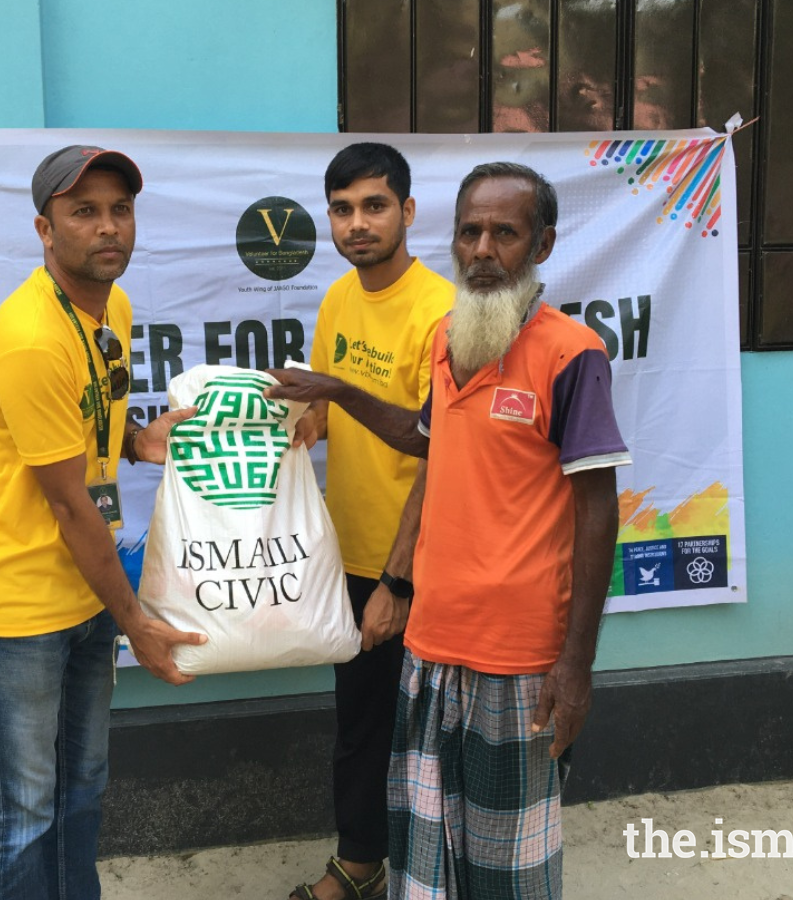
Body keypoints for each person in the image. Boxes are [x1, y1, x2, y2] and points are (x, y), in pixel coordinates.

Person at [269, 162, 629, 899]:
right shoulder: (451, 342)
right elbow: (421, 437)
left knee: (507, 868)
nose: (482, 250)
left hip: (519, 659)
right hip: (433, 646)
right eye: (470, 231)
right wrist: (335, 390)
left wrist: (576, 667)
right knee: (429, 858)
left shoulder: (572, 355)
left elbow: (597, 509)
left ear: (543, 244)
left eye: (505, 232)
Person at [0, 144, 207, 900]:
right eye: (84, 211)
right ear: (44, 227)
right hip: (17, 612)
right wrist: (137, 622)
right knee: (24, 811)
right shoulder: (32, 336)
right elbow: (66, 504)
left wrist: (134, 439)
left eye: (119, 210)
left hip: (87, 595)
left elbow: (84, 428)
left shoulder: (109, 306)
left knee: (83, 787)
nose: (108, 228)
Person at [288, 143, 453, 900]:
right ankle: (361, 865)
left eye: (374, 206)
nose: (358, 224)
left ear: (408, 212)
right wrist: (258, 432)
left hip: (420, 562)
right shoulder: (336, 300)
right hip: (346, 554)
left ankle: (432, 872)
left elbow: (439, 453)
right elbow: (318, 412)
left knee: (427, 735)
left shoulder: (442, 314)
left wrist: (399, 578)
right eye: (344, 210)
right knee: (359, 726)